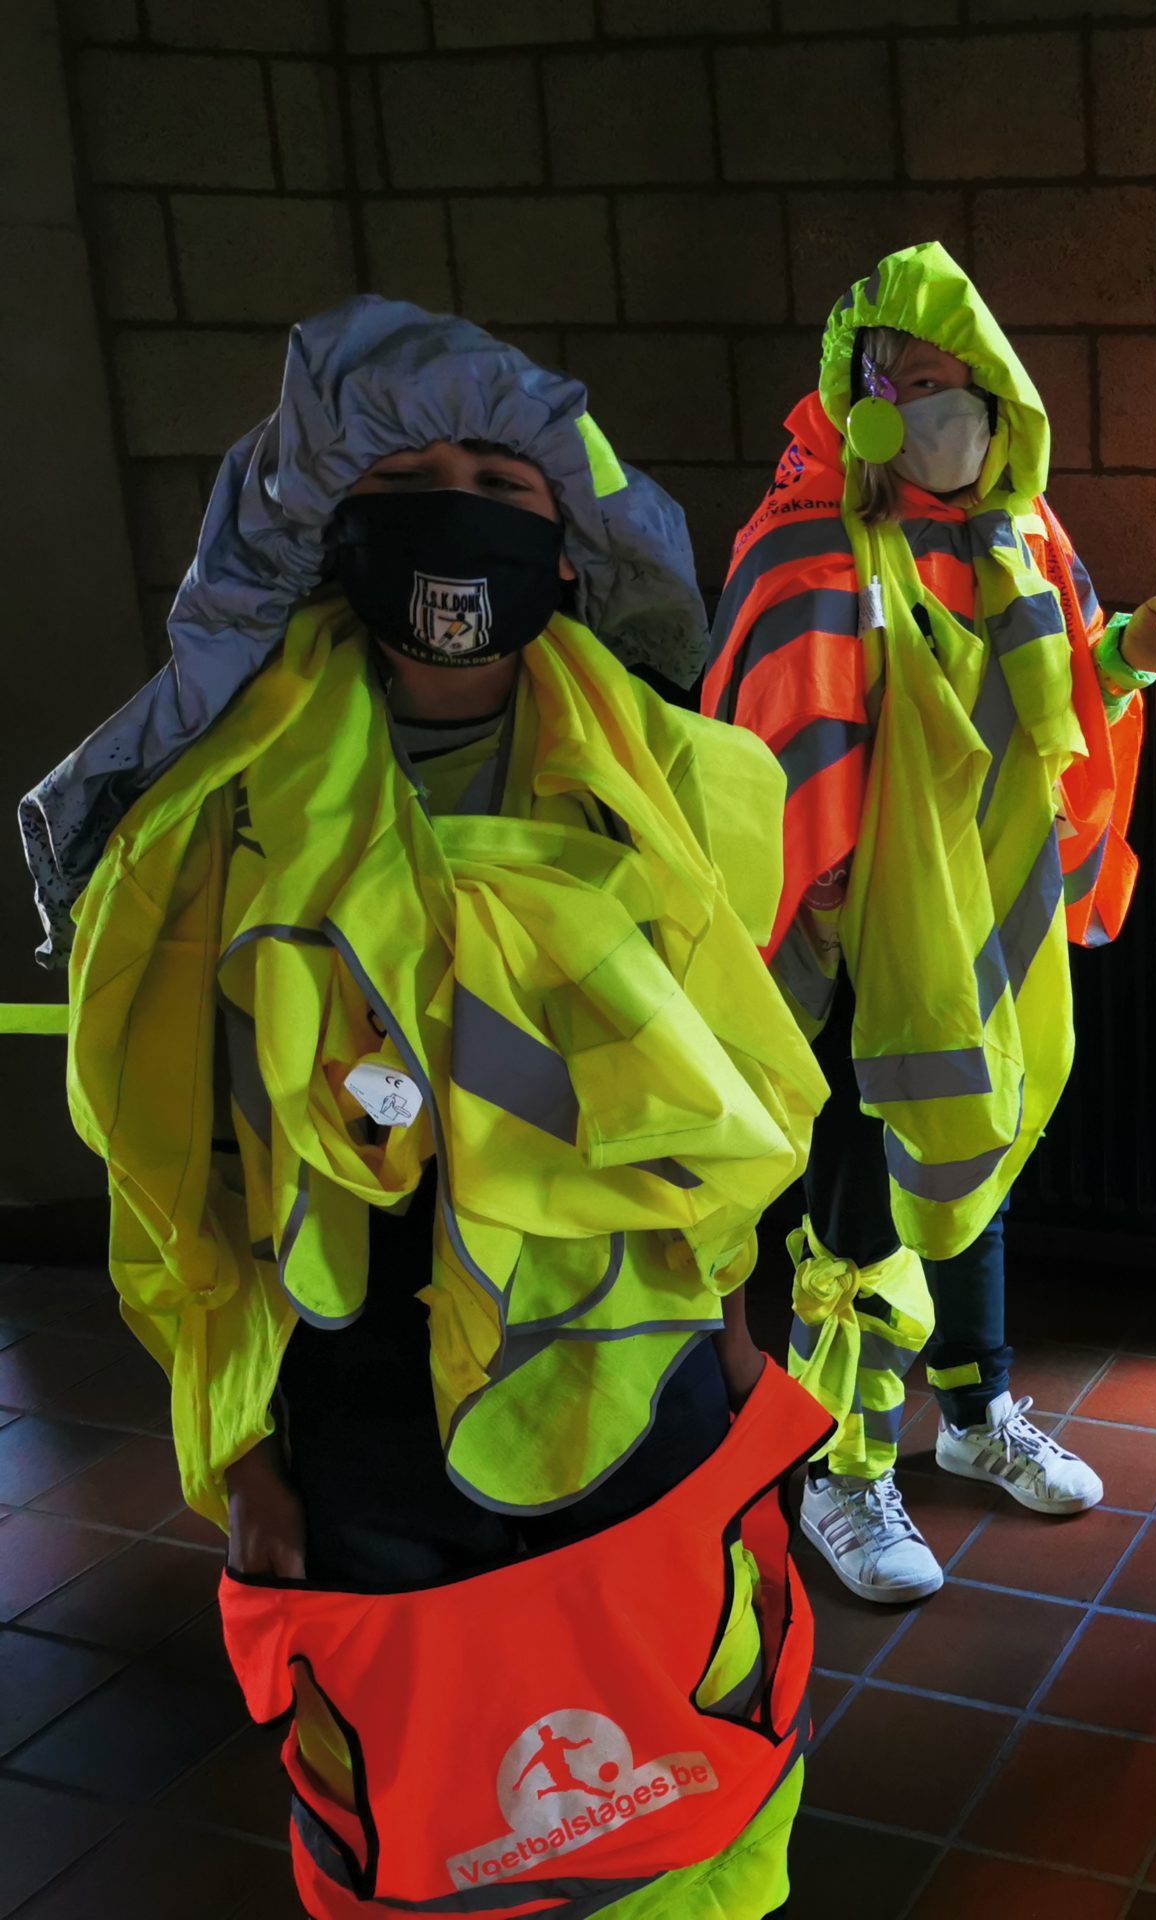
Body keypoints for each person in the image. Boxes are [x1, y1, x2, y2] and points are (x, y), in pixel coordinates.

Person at [25, 296, 834, 1919]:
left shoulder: (676, 783)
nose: (459, 512)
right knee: (427, 1797)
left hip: (641, 1376)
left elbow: (727, 1101)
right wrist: (242, 1449)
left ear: (571, 549)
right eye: (409, 478)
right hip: (363, 1396)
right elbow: (183, 1174)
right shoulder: (214, 822)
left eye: (505, 485)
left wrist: (744, 1340)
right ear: (329, 530)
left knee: (680, 1743)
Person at [704, 241, 1156, 1604]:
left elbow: (1053, 700)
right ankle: (843, 1467)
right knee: (859, 1206)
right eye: (917, 384)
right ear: (860, 401)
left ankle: (975, 1416)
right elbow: (760, 744)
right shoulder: (802, 546)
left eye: (965, 381)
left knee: (972, 1163)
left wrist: (1127, 653)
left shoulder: (1023, 536)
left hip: (989, 915)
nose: (949, 410)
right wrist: (807, 887)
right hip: (857, 941)